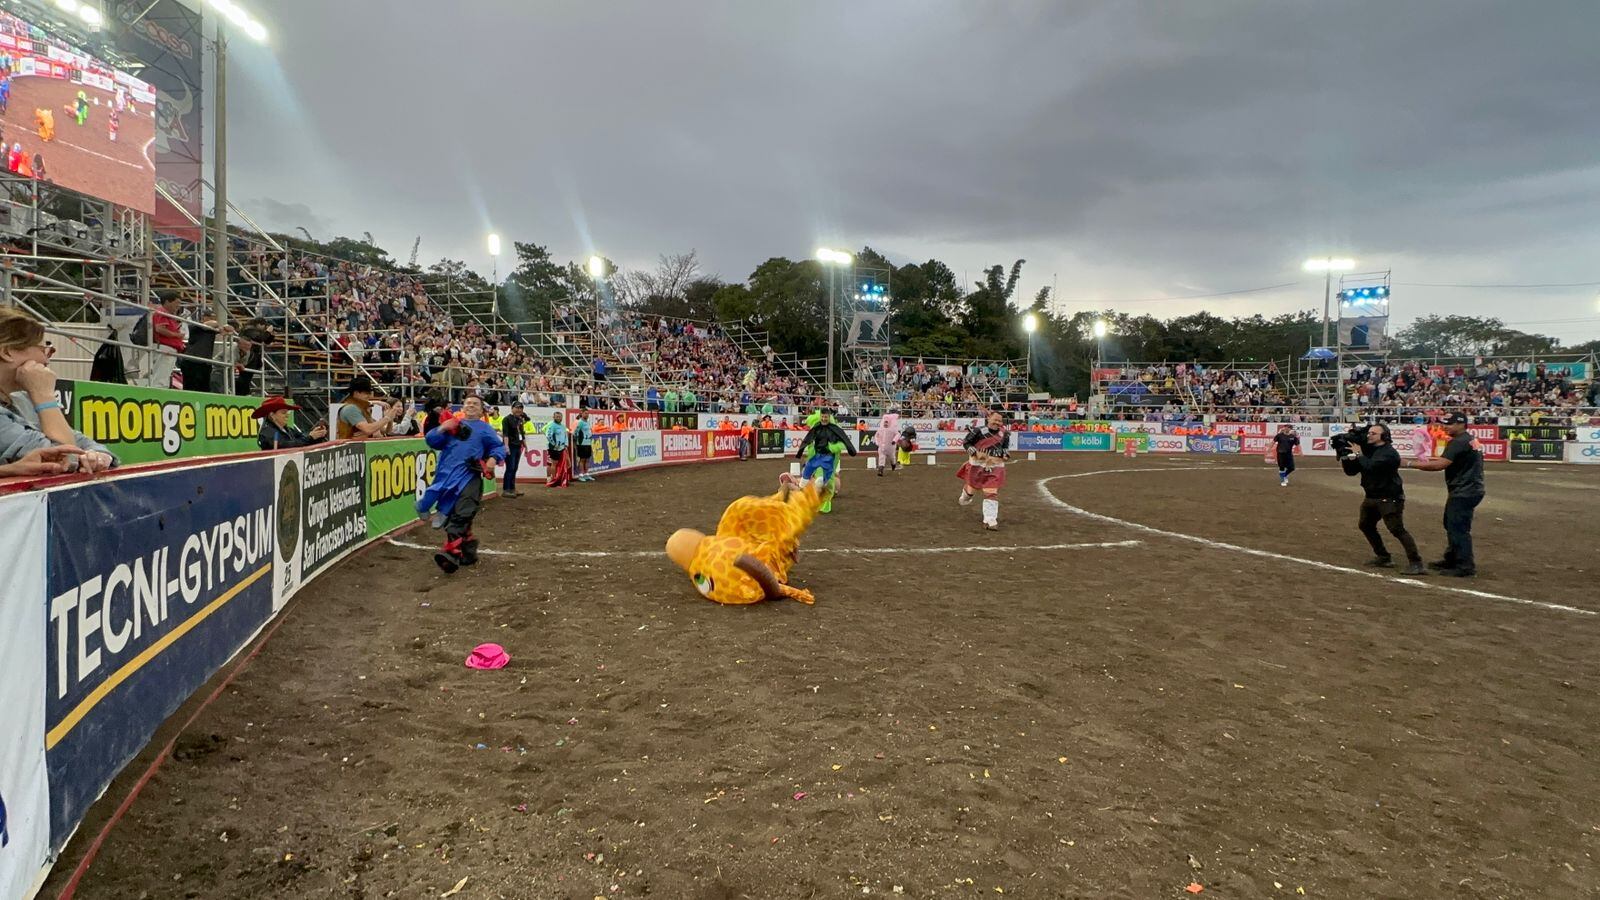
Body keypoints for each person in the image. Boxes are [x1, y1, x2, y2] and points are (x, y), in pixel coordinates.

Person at [0, 308, 117, 473]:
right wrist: (45, 397)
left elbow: (79, 440)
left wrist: (98, 455)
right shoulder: (37, 396)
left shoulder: (22, 399)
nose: (46, 360)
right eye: (44, 350)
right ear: (7, 352)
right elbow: (64, 459)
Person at [417, 396, 506, 574]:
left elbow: (499, 448)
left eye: (475, 404)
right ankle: (469, 550)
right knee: (452, 513)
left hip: (469, 476)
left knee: (463, 512)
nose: (471, 405)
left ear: (482, 410)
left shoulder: (485, 429)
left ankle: (451, 554)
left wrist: (492, 459)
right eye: (468, 403)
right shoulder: (452, 425)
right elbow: (432, 441)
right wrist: (443, 427)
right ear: (463, 407)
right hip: (446, 477)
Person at [1405, 412, 1485, 577]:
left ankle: (1465, 566)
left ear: (1461, 424)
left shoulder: (1458, 442)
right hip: (1470, 489)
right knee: (1451, 524)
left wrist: (1410, 464)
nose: (1445, 427)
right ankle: (1452, 558)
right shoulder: (1469, 439)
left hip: (1464, 490)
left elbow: (1441, 464)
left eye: (1449, 424)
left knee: (1458, 528)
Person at [1337, 423, 1425, 575]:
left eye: (1373, 434)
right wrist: (1344, 455)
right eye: (1369, 433)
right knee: (1365, 525)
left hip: (1389, 498)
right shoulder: (1370, 451)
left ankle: (1416, 562)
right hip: (1371, 496)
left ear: (1384, 436)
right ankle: (1383, 556)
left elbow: (1371, 467)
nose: (1369, 435)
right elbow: (1352, 472)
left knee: (1397, 529)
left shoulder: (1389, 453)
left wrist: (1359, 454)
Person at [795, 408, 856, 514]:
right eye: (822, 416)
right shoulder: (816, 427)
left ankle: (824, 502)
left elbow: (844, 441)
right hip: (815, 458)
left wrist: (833, 448)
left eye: (825, 417)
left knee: (825, 481)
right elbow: (808, 440)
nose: (823, 418)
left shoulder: (835, 429)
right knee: (808, 479)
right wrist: (802, 452)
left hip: (829, 459)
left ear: (829, 417)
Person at [957, 411, 1009, 530]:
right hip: (977, 465)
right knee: (970, 491)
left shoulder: (1004, 434)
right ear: (988, 418)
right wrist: (975, 452)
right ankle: (966, 493)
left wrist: (1005, 455)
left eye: (1000, 421)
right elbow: (966, 443)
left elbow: (1005, 448)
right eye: (995, 420)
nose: (997, 423)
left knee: (991, 492)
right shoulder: (977, 431)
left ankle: (990, 520)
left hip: (995, 466)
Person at [335, 374, 405, 439]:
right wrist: (387, 418)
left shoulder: (361, 408)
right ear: (356, 393)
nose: (369, 396)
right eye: (366, 393)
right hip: (351, 449)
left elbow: (385, 431)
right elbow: (368, 429)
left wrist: (390, 418)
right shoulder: (350, 408)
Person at [253, 395, 327, 450]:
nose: (287, 415)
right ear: (272, 415)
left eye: (287, 412)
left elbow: (303, 440)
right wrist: (310, 437)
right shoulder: (267, 432)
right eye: (283, 412)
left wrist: (317, 435)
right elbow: (286, 445)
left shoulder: (288, 430)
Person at [146, 291, 186, 389]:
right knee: (160, 376)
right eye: (176, 303)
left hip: (167, 349)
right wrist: (177, 335)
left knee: (163, 375)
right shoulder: (162, 312)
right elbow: (160, 329)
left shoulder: (166, 313)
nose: (178, 306)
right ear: (168, 302)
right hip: (165, 348)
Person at [501, 400, 529, 497]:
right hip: (511, 446)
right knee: (510, 468)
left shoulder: (520, 420)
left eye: (520, 408)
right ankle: (506, 489)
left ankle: (512, 488)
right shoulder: (506, 419)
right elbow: (505, 434)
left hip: (518, 446)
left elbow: (522, 434)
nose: (519, 410)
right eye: (517, 407)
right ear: (512, 408)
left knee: (515, 468)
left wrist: (526, 446)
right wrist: (506, 446)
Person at [543, 410, 571, 488]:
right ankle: (553, 479)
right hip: (554, 448)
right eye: (557, 416)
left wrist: (566, 445)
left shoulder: (563, 426)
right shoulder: (551, 425)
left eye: (560, 417)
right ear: (554, 417)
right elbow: (548, 436)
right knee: (554, 464)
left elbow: (565, 436)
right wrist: (554, 444)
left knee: (564, 464)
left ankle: (559, 478)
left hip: (562, 448)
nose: (558, 418)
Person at [1271, 423, 1300, 487]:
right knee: (1282, 467)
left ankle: (1284, 475)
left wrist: (1300, 451)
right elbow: (1273, 442)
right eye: (1285, 427)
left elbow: (1297, 444)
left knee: (1292, 468)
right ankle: (1282, 480)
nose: (1286, 428)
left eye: (1288, 427)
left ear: (1290, 429)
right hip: (1280, 453)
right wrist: (1269, 449)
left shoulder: (1293, 437)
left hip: (1289, 454)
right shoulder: (1279, 435)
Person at [874, 411, 901, 476]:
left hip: (890, 447)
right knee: (881, 458)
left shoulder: (892, 429)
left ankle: (893, 464)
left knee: (892, 458)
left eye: (887, 422)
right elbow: (876, 436)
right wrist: (877, 442)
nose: (885, 424)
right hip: (882, 448)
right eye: (885, 422)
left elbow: (898, 434)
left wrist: (894, 440)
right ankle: (880, 470)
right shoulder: (880, 429)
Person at [571, 409, 595, 482]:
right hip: (582, 443)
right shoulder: (580, 422)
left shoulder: (587, 422)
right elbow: (575, 433)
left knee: (588, 459)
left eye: (588, 413)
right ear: (581, 414)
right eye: (585, 413)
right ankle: (581, 474)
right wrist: (577, 441)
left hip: (588, 443)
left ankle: (586, 474)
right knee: (582, 459)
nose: (587, 415)